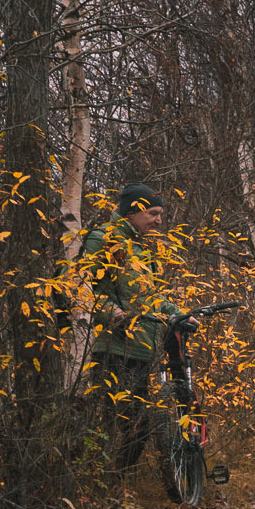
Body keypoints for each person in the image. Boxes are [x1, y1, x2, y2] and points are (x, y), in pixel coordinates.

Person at [79, 183, 193, 471]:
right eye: (153, 213)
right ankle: (103, 484)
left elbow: (149, 296)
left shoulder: (141, 248)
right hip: (114, 346)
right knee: (119, 422)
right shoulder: (103, 239)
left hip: (143, 347)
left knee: (139, 424)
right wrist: (108, 312)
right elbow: (79, 284)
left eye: (160, 213)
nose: (159, 220)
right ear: (133, 211)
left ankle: (119, 483)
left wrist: (178, 315)